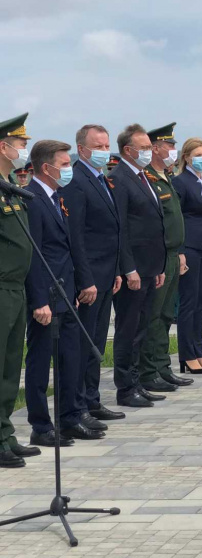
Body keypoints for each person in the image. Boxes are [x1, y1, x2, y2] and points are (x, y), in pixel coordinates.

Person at [23, 138, 102, 446]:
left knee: (70, 357)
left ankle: (69, 418)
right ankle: (41, 426)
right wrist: (39, 299)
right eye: (65, 164)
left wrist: (84, 281)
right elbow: (34, 254)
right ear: (47, 167)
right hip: (47, 297)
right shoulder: (31, 199)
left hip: (67, 292)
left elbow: (71, 245)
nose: (69, 169)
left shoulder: (58, 197)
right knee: (41, 362)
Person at [62, 124, 125, 431]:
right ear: (82, 149)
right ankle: (78, 405)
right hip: (88, 278)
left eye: (106, 145)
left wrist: (114, 271)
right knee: (84, 343)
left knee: (98, 340)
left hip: (105, 273)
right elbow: (77, 237)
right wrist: (85, 279)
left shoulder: (100, 179)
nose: (104, 151)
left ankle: (91, 398)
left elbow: (110, 231)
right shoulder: (76, 181)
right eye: (98, 146)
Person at [110, 124, 167, 408]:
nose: (148, 152)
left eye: (149, 147)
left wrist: (158, 267)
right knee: (127, 330)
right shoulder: (119, 178)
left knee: (141, 328)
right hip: (133, 269)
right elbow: (121, 228)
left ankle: (137, 382)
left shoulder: (144, 177)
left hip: (150, 267)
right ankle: (125, 387)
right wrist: (128, 268)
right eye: (143, 148)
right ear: (127, 151)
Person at [137, 124, 191, 393]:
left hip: (172, 253)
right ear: (155, 148)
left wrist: (180, 252)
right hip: (157, 256)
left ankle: (162, 367)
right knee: (154, 316)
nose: (173, 150)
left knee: (167, 314)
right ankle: (149, 371)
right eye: (169, 146)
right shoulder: (146, 177)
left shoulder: (165, 175)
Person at [0, 115, 38, 466]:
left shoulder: (9, 184)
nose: (23, 149)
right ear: (3, 146)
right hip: (1, 287)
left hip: (16, 287)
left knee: (12, 366)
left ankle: (5, 434)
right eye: (20, 143)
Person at [172, 138, 202, 374]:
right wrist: (180, 251)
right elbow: (177, 218)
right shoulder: (181, 182)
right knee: (189, 302)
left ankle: (198, 351)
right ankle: (187, 354)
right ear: (187, 157)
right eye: (197, 154)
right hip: (190, 246)